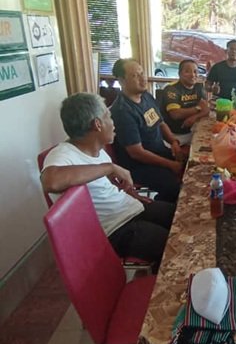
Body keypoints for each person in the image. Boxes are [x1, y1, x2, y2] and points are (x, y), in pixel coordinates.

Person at [41, 93, 175, 272]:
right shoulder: (63, 154)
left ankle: (158, 272)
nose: (114, 123)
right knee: (174, 244)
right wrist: (109, 168)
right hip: (115, 229)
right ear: (97, 124)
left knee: (179, 216)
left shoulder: (97, 150)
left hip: (129, 209)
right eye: (109, 117)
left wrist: (131, 194)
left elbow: (102, 188)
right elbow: (50, 181)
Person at [110, 58, 184, 203]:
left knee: (191, 164)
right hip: (138, 166)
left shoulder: (146, 96)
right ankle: (166, 209)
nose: (143, 79)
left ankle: (165, 201)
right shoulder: (122, 111)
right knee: (174, 185)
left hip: (158, 152)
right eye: (135, 75)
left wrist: (174, 143)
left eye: (142, 73)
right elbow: (137, 153)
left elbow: (160, 123)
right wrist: (170, 164)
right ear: (122, 81)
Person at [161, 59, 209, 146]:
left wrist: (194, 117)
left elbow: (206, 109)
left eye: (195, 72)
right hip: (174, 136)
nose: (193, 75)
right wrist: (197, 108)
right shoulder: (171, 89)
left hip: (194, 131)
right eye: (187, 71)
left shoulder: (199, 86)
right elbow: (175, 114)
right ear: (179, 74)